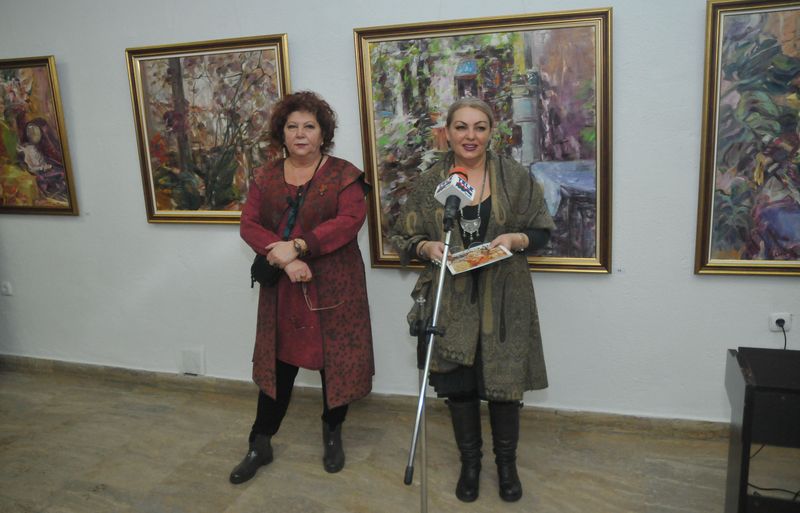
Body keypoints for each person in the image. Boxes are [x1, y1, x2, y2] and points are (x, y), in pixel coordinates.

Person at [389, 98, 555, 503]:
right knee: (459, 386)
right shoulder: (431, 182)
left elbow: (541, 231)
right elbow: (404, 235)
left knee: (504, 387)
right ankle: (470, 464)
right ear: (447, 132)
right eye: (461, 127)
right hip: (451, 300)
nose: (470, 136)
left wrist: (517, 238)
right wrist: (426, 247)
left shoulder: (514, 177)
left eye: (480, 127)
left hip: (505, 299)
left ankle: (506, 466)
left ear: (491, 132)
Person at [232, 91, 374, 484]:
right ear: (282, 133)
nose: (300, 134)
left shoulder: (345, 175)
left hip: (335, 286)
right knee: (278, 364)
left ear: (323, 133)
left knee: (335, 363)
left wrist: (298, 245)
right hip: (284, 288)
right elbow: (249, 225)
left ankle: (332, 434)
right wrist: (287, 259)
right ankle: (260, 442)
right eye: (292, 126)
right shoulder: (265, 176)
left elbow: (349, 222)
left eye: (309, 126)